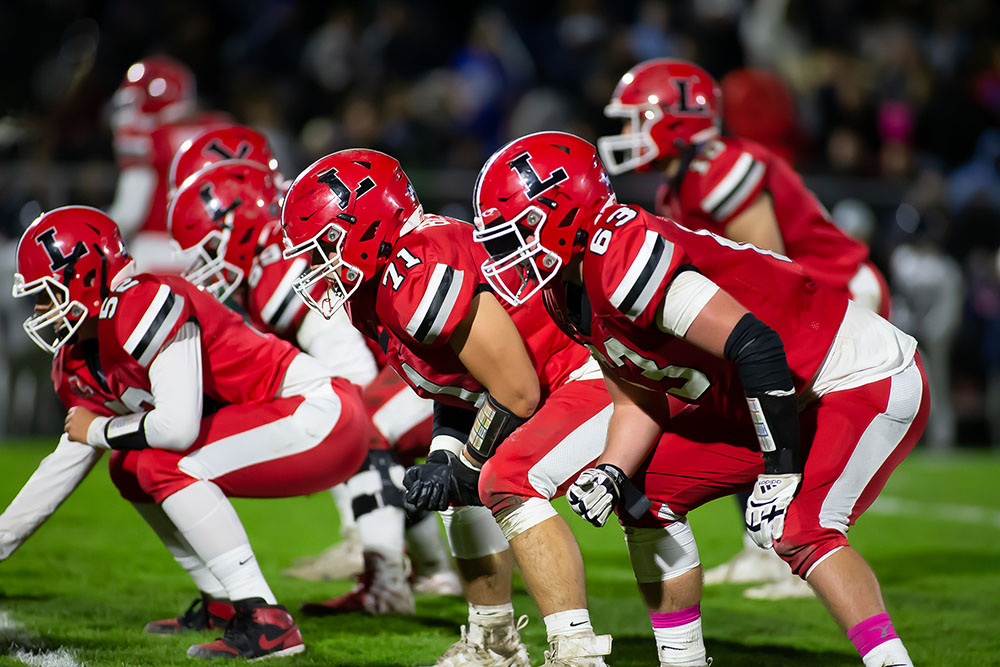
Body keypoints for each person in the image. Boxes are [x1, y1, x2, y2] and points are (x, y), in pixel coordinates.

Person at [471, 131, 928, 667]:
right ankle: (683, 660)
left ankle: (890, 662)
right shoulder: (570, 289)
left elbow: (757, 347)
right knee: (648, 494)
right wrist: (613, 470)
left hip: (852, 372)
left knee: (801, 528)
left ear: (566, 212)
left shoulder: (623, 257)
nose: (507, 255)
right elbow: (635, 398)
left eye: (517, 234)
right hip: (777, 389)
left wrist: (779, 471)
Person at [281, 149, 617, 666]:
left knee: (507, 480)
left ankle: (576, 651)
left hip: (584, 375)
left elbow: (517, 392)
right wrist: (444, 455)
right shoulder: (381, 280)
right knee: (459, 491)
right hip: (536, 386)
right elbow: (458, 388)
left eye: (326, 245)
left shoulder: (416, 273)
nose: (318, 264)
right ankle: (494, 642)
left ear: (368, 223)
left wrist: (463, 463)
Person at [6, 205, 385, 660]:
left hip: (323, 412)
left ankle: (264, 618)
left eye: (45, 294)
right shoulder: (77, 362)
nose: (41, 310)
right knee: (127, 466)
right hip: (286, 424)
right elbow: (61, 468)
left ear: (83, 276)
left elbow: (176, 428)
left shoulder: (143, 301)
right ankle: (223, 602)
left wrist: (101, 428)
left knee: (162, 460)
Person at [597, 58, 892, 598]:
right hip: (799, 302)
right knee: (738, 406)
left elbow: (768, 265)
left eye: (634, 120)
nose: (623, 135)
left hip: (835, 294)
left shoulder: (717, 164)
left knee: (770, 404)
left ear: (676, 118)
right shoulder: (674, 188)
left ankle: (805, 543)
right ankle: (770, 547)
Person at [167, 156, 458, 609]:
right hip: (411, 366)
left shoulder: (276, 273)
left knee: (365, 431)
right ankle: (432, 572)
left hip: (425, 366)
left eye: (209, 248)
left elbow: (350, 364)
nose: (205, 265)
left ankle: (389, 583)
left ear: (237, 225)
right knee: (383, 445)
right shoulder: (270, 267)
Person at [106, 55, 232, 273]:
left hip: (156, 249)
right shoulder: (222, 128)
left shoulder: (146, 139)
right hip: (218, 251)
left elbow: (129, 213)